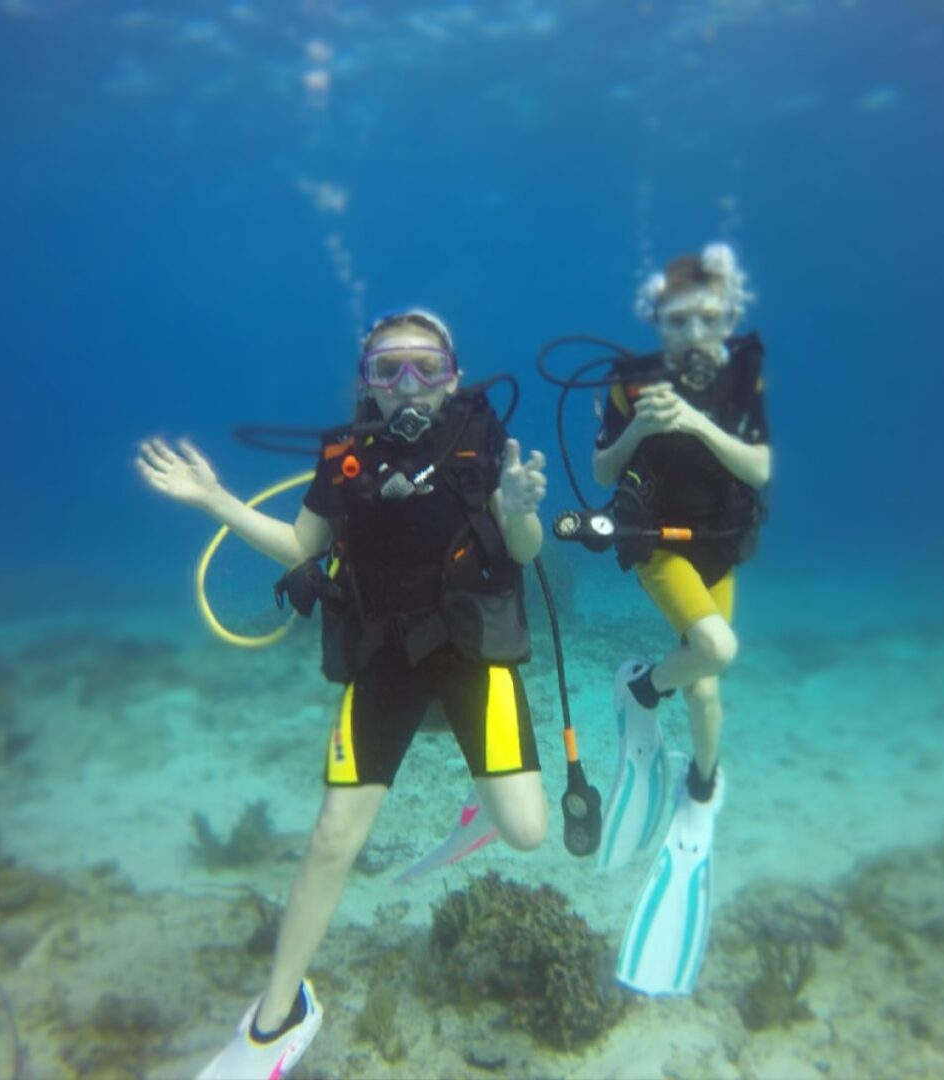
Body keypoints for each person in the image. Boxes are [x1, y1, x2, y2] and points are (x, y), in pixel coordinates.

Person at [136, 309, 550, 1079]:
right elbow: (303, 546)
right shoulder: (345, 455)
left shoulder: (481, 443)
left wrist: (522, 511)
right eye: (386, 369)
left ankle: (482, 813)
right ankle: (276, 1017)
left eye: (425, 366)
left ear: (454, 374)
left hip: (470, 653)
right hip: (384, 657)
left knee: (528, 830)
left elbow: (520, 549)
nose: (407, 385)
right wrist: (214, 500)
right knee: (332, 838)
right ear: (365, 382)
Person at [591, 243, 770, 996]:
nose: (694, 334)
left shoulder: (741, 379)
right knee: (715, 648)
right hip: (661, 549)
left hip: (720, 551)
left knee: (706, 688)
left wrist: (697, 422)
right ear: (656, 324)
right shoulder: (631, 385)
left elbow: (759, 468)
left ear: (730, 317)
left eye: (708, 318)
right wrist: (645, 427)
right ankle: (641, 693)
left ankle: (700, 789)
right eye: (676, 321)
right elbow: (604, 470)